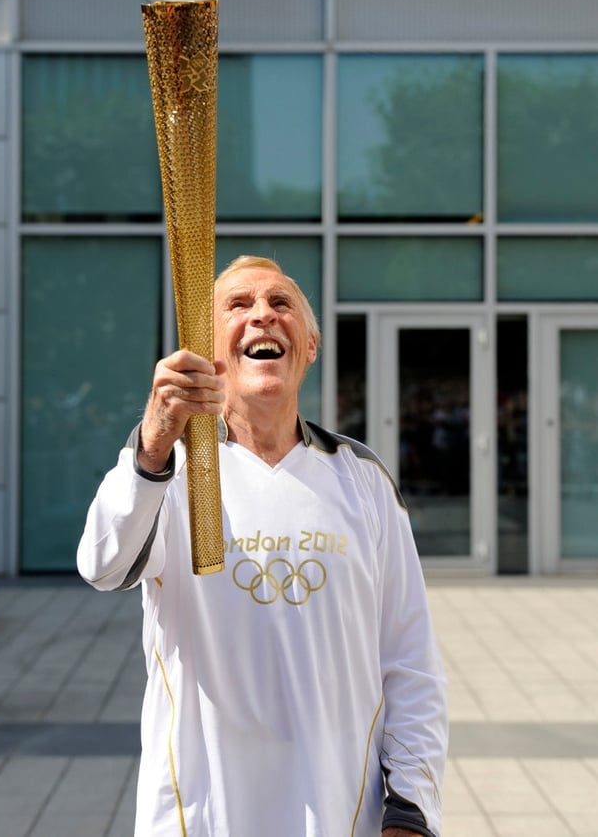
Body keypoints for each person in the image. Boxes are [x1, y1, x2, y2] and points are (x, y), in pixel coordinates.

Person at [77, 255, 448, 837]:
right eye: (239, 304)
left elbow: (410, 658)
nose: (263, 317)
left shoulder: (363, 480)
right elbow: (101, 564)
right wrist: (151, 443)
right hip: (200, 815)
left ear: (311, 345)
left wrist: (410, 806)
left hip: (341, 812)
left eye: (281, 304)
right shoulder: (170, 470)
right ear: (209, 348)